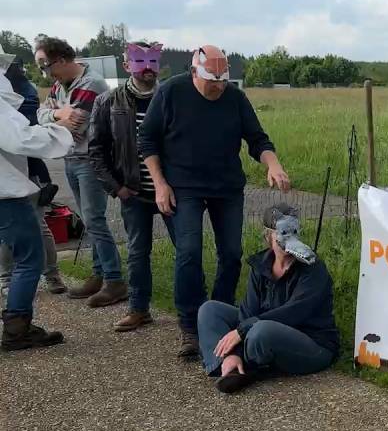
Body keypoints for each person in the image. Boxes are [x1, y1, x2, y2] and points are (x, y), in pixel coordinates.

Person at [138, 45, 292, 358]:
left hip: (226, 185)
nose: (218, 87)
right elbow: (147, 140)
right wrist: (160, 185)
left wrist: (273, 164)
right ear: (194, 73)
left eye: (223, 81)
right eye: (212, 81)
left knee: (232, 254)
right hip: (184, 186)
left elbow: (257, 139)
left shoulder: (235, 98)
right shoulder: (170, 92)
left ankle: (219, 315)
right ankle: (190, 325)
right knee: (189, 252)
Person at [197, 203, 338, 394]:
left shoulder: (313, 269)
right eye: (282, 233)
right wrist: (234, 351)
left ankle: (250, 369)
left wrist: (243, 330)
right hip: (261, 331)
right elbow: (248, 312)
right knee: (210, 310)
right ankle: (230, 364)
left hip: (312, 342)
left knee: (260, 331)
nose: (288, 240)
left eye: (294, 232)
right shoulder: (261, 265)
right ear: (268, 236)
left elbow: (294, 313)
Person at [88, 42, 175, 332]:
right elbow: (97, 149)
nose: (147, 67)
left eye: (152, 61)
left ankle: (195, 310)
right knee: (137, 252)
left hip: (172, 190)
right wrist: (117, 187)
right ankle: (139, 309)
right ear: (127, 66)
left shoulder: (171, 98)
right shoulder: (109, 102)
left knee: (187, 250)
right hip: (133, 193)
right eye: (139, 61)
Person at [34, 35, 123, 306]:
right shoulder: (59, 85)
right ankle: (98, 274)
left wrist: (55, 116)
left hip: (90, 160)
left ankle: (115, 279)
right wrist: (59, 114)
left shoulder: (92, 84)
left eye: (44, 65)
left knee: (95, 220)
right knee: (88, 220)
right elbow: (40, 115)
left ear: (61, 60)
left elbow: (77, 125)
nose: (43, 72)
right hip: (71, 158)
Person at [0, 53, 73, 350]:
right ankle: (17, 328)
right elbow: (21, 139)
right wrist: (61, 126)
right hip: (5, 195)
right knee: (30, 258)